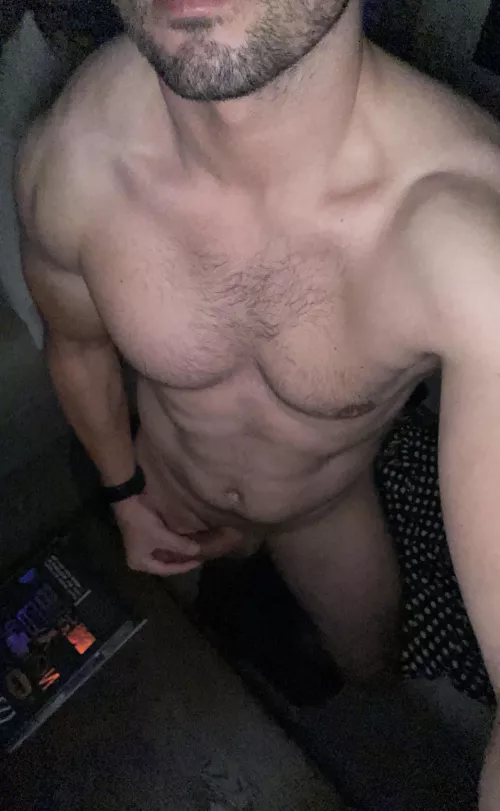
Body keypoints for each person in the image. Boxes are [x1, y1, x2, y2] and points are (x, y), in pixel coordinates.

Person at [14, 0, 500, 805]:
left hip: (321, 508)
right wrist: (124, 493)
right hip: (165, 481)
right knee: (153, 672)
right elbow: (78, 347)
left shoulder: (473, 231)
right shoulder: (71, 160)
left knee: (369, 667)